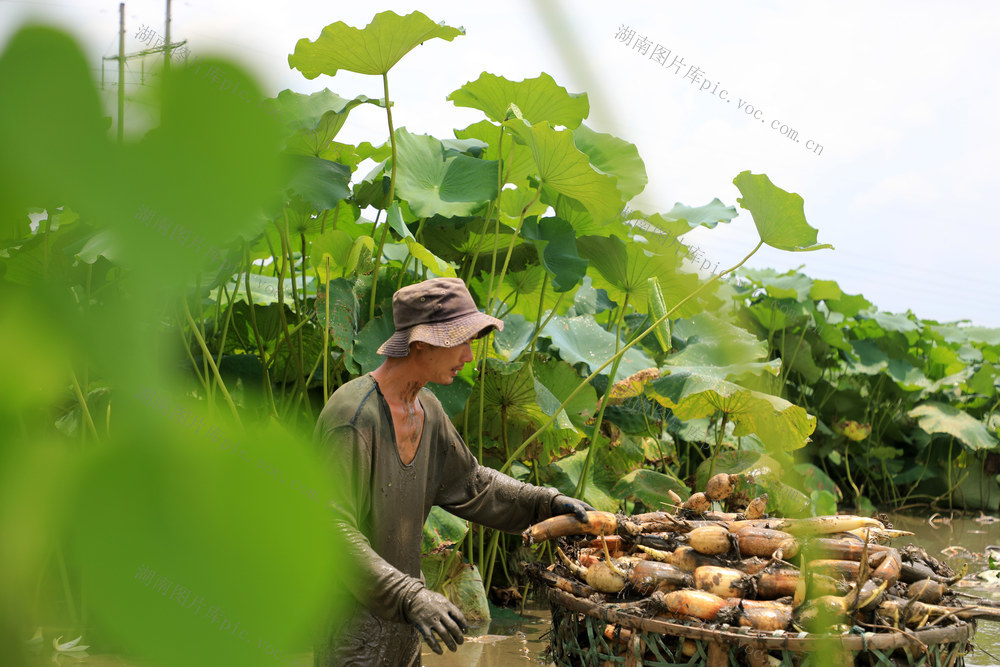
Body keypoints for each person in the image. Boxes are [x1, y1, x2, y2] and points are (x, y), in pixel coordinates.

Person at [312, 277, 592, 666]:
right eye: (460, 341)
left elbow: (473, 484)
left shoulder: (428, 409)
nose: (469, 356)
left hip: (405, 634)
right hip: (353, 640)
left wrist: (548, 504)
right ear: (421, 344)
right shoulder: (353, 417)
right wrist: (411, 596)